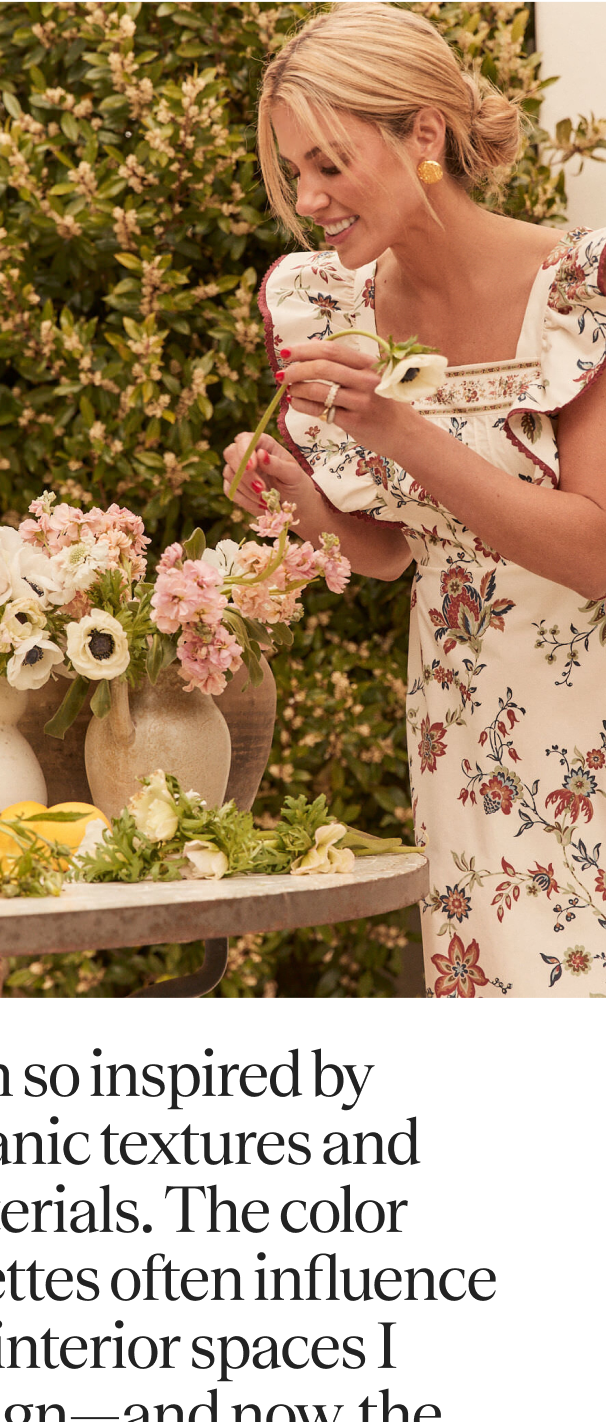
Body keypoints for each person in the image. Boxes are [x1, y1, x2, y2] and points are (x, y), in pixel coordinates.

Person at [222, 0, 605, 1000]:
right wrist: (304, 500)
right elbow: (399, 553)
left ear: (424, 135)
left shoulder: (577, 292)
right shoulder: (335, 306)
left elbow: (596, 549)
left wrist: (401, 434)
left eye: (329, 163)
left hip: (590, 739)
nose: (309, 197)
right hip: (460, 741)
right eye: (294, 171)